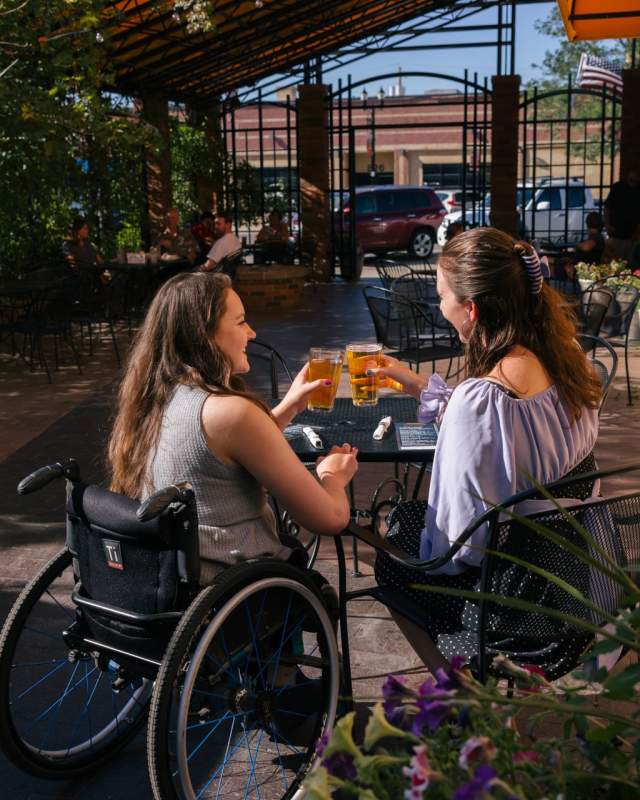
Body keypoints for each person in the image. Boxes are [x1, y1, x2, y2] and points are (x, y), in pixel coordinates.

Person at [370, 227, 601, 669]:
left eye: (441, 296)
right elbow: (510, 433)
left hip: (515, 607)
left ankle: (464, 699)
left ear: (471, 309)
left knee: (394, 552)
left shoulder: (484, 399)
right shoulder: (565, 356)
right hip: (575, 582)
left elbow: (460, 545)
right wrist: (419, 385)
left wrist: (419, 551)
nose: (439, 307)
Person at [107, 272, 358, 584]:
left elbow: (213, 448)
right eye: (240, 322)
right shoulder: (232, 413)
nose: (251, 333)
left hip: (170, 575)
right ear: (205, 334)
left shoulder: (158, 397)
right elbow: (330, 519)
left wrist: (289, 407)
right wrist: (333, 477)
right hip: (232, 581)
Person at [603, 168, 640, 261]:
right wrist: (607, 225)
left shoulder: (638, 190)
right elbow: (607, 207)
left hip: (632, 236)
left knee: (629, 263)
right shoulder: (618, 188)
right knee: (615, 262)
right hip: (616, 233)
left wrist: (637, 232)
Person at [201, 211, 242, 275]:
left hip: (216, 279)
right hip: (227, 279)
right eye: (215, 224)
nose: (216, 226)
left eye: (218, 224)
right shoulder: (235, 239)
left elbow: (208, 266)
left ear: (228, 225)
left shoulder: (222, 242)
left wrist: (193, 271)